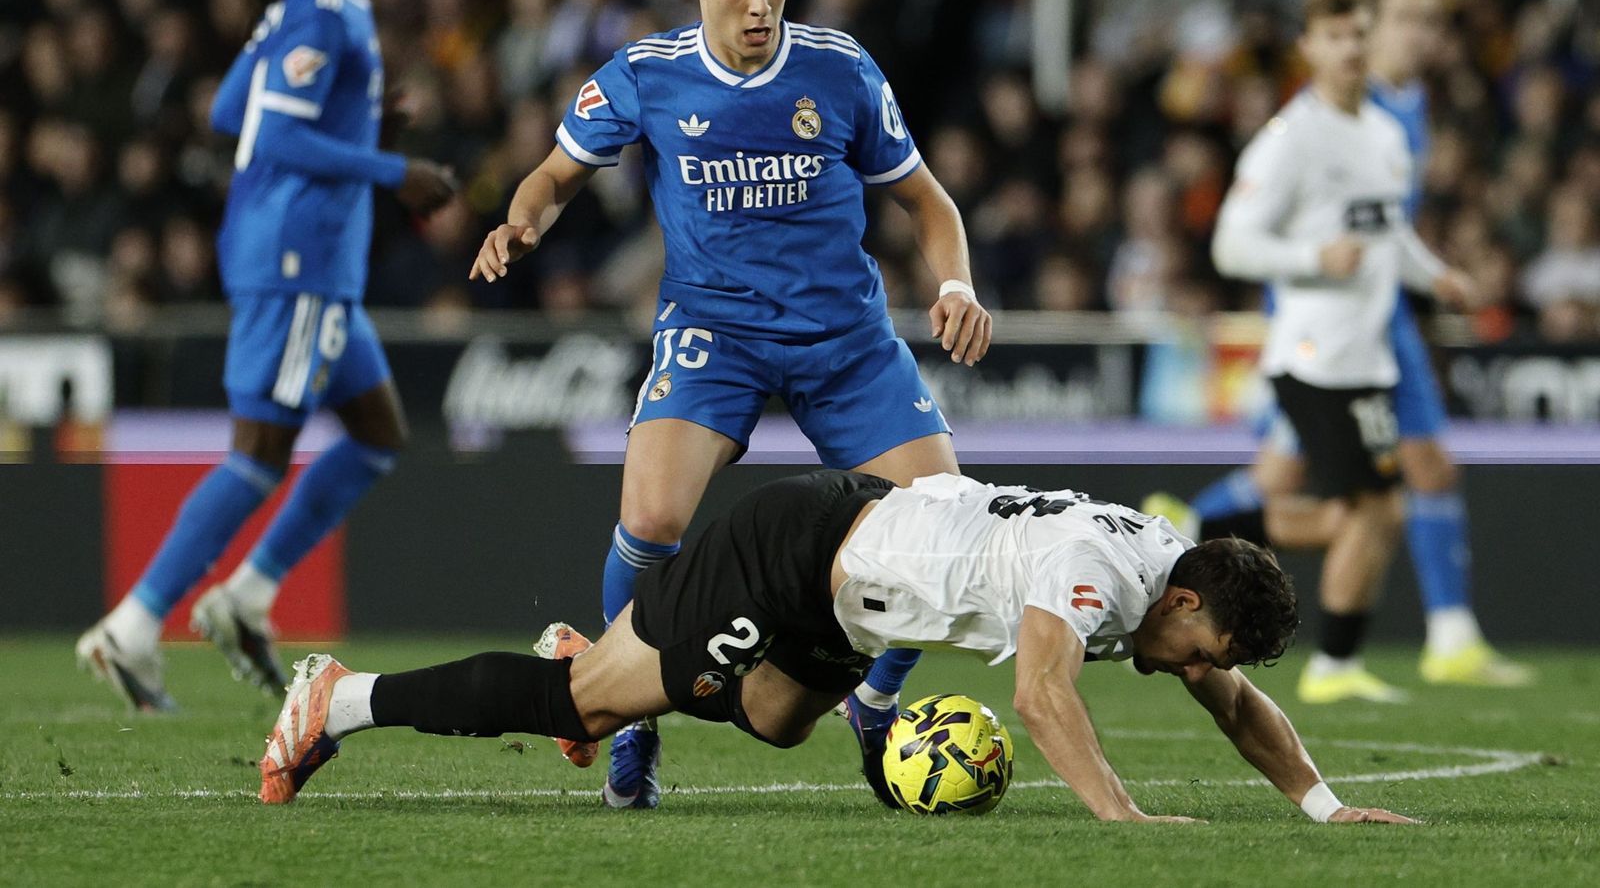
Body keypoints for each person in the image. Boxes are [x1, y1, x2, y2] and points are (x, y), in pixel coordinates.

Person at [469, 0, 990, 806]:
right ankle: (628, 714)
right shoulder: (645, 74)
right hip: (715, 333)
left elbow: (927, 200)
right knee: (654, 523)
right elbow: (549, 176)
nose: (761, 6)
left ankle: (874, 700)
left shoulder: (839, 70)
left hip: (846, 340)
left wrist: (955, 284)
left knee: (946, 527)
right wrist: (522, 225)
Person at [256, 469, 1414, 826]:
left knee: (773, 717)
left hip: (855, 592)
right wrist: (1123, 817)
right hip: (793, 553)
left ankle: (615, 661)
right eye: (1208, 645)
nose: (1205, 667)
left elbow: (1237, 702)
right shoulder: (1105, 571)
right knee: (580, 710)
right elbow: (1043, 696)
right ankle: (338, 695)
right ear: (1189, 597)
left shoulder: (1174, 576)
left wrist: (1320, 802)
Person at [76, 0, 457, 711]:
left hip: (309, 262)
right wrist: (390, 167)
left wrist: (363, 115)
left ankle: (246, 594)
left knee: (377, 433)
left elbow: (225, 109)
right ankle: (133, 625)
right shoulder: (323, 13)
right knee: (258, 454)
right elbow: (274, 138)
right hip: (299, 261)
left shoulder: (309, 5)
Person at [1156, 0, 1530, 690]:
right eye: (1336, 36)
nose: (1352, 47)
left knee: (1351, 506)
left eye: (1360, 33)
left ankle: (1204, 527)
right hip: (1313, 356)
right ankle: (1332, 660)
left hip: (1367, 361)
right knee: (1376, 506)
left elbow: (1386, 232)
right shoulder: (1290, 139)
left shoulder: (1385, 133)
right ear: (1309, 48)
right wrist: (1310, 259)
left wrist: (1437, 275)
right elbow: (1232, 247)